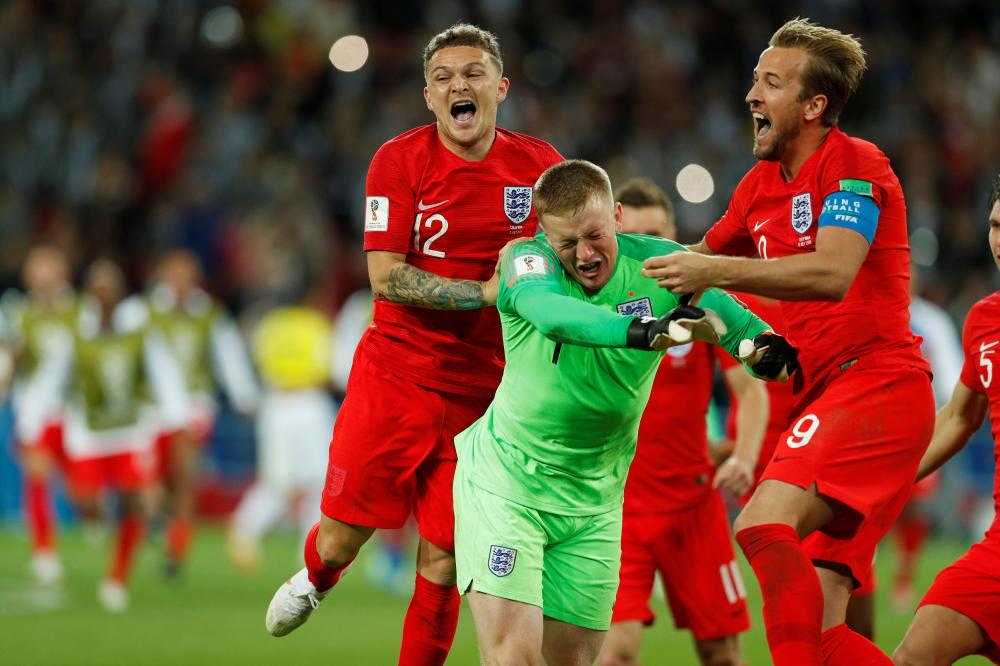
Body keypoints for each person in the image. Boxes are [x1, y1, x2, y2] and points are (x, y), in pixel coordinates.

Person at [265, 23, 563, 665]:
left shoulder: (540, 167)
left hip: (484, 396)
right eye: (444, 77)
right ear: (428, 96)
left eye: (473, 73)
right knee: (344, 540)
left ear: (501, 88)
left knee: (447, 555)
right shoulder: (397, 161)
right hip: (395, 378)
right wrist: (484, 293)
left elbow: (576, 252)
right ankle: (318, 577)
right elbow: (386, 276)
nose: (459, 85)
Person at [642, 18, 934, 665]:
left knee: (760, 524)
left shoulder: (856, 166)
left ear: (813, 106)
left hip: (876, 385)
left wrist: (711, 272)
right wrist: (606, 299)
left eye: (770, 83)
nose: (751, 95)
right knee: (826, 629)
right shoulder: (756, 190)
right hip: (823, 397)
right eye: (753, 79)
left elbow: (832, 273)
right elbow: (687, 270)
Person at [454, 159, 797, 665]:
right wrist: (641, 331)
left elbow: (732, 322)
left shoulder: (660, 265)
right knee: (515, 658)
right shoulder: (527, 264)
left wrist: (764, 350)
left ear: (616, 217)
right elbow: (555, 316)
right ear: (545, 237)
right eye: (566, 243)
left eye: (594, 236)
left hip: (596, 500)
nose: (584, 255)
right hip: (509, 486)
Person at [597, 178, 769, 666]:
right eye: (636, 236)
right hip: (617, 506)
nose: (650, 249)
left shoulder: (702, 301)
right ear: (615, 237)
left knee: (722, 654)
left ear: (675, 236)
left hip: (692, 504)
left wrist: (742, 455)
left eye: (660, 236)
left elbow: (750, 389)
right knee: (616, 652)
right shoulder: (595, 306)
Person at [28, 259, 189, 611]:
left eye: (110, 290)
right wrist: (35, 426)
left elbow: (163, 372)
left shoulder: (138, 329)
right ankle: (98, 520)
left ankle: (117, 577)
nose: (104, 297)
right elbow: (52, 376)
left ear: (118, 294)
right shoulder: (76, 331)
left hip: (131, 430)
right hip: (89, 432)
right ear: (90, 294)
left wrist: (177, 417)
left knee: (136, 500)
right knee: (85, 501)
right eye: (98, 290)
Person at [892, 176, 1000, 666]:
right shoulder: (984, 319)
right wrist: (886, 483)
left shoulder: (933, 320)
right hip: (996, 553)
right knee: (914, 653)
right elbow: (959, 416)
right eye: (996, 226)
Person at [125, 249, 258, 577]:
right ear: (164, 276)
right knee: (152, 482)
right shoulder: (143, 312)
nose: (181, 282)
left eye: (187, 275)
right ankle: (159, 521)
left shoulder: (209, 315)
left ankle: (176, 552)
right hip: (152, 410)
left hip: (194, 407)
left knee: (185, 474)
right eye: (175, 274)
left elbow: (229, 357)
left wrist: (245, 397)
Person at [229, 298, 338, 572]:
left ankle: (245, 528)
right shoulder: (317, 325)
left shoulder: (269, 326)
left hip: (276, 402)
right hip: (310, 401)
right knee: (318, 483)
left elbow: (253, 361)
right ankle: (310, 550)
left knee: (277, 480)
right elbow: (333, 369)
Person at [5, 246, 78, 585]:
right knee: (37, 478)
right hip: (33, 408)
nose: (44, 276)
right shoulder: (16, 311)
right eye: (38, 269)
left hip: (73, 410)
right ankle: (44, 552)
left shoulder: (78, 311)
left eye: (50, 267)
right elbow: (7, 358)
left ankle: (94, 522)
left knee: (81, 487)